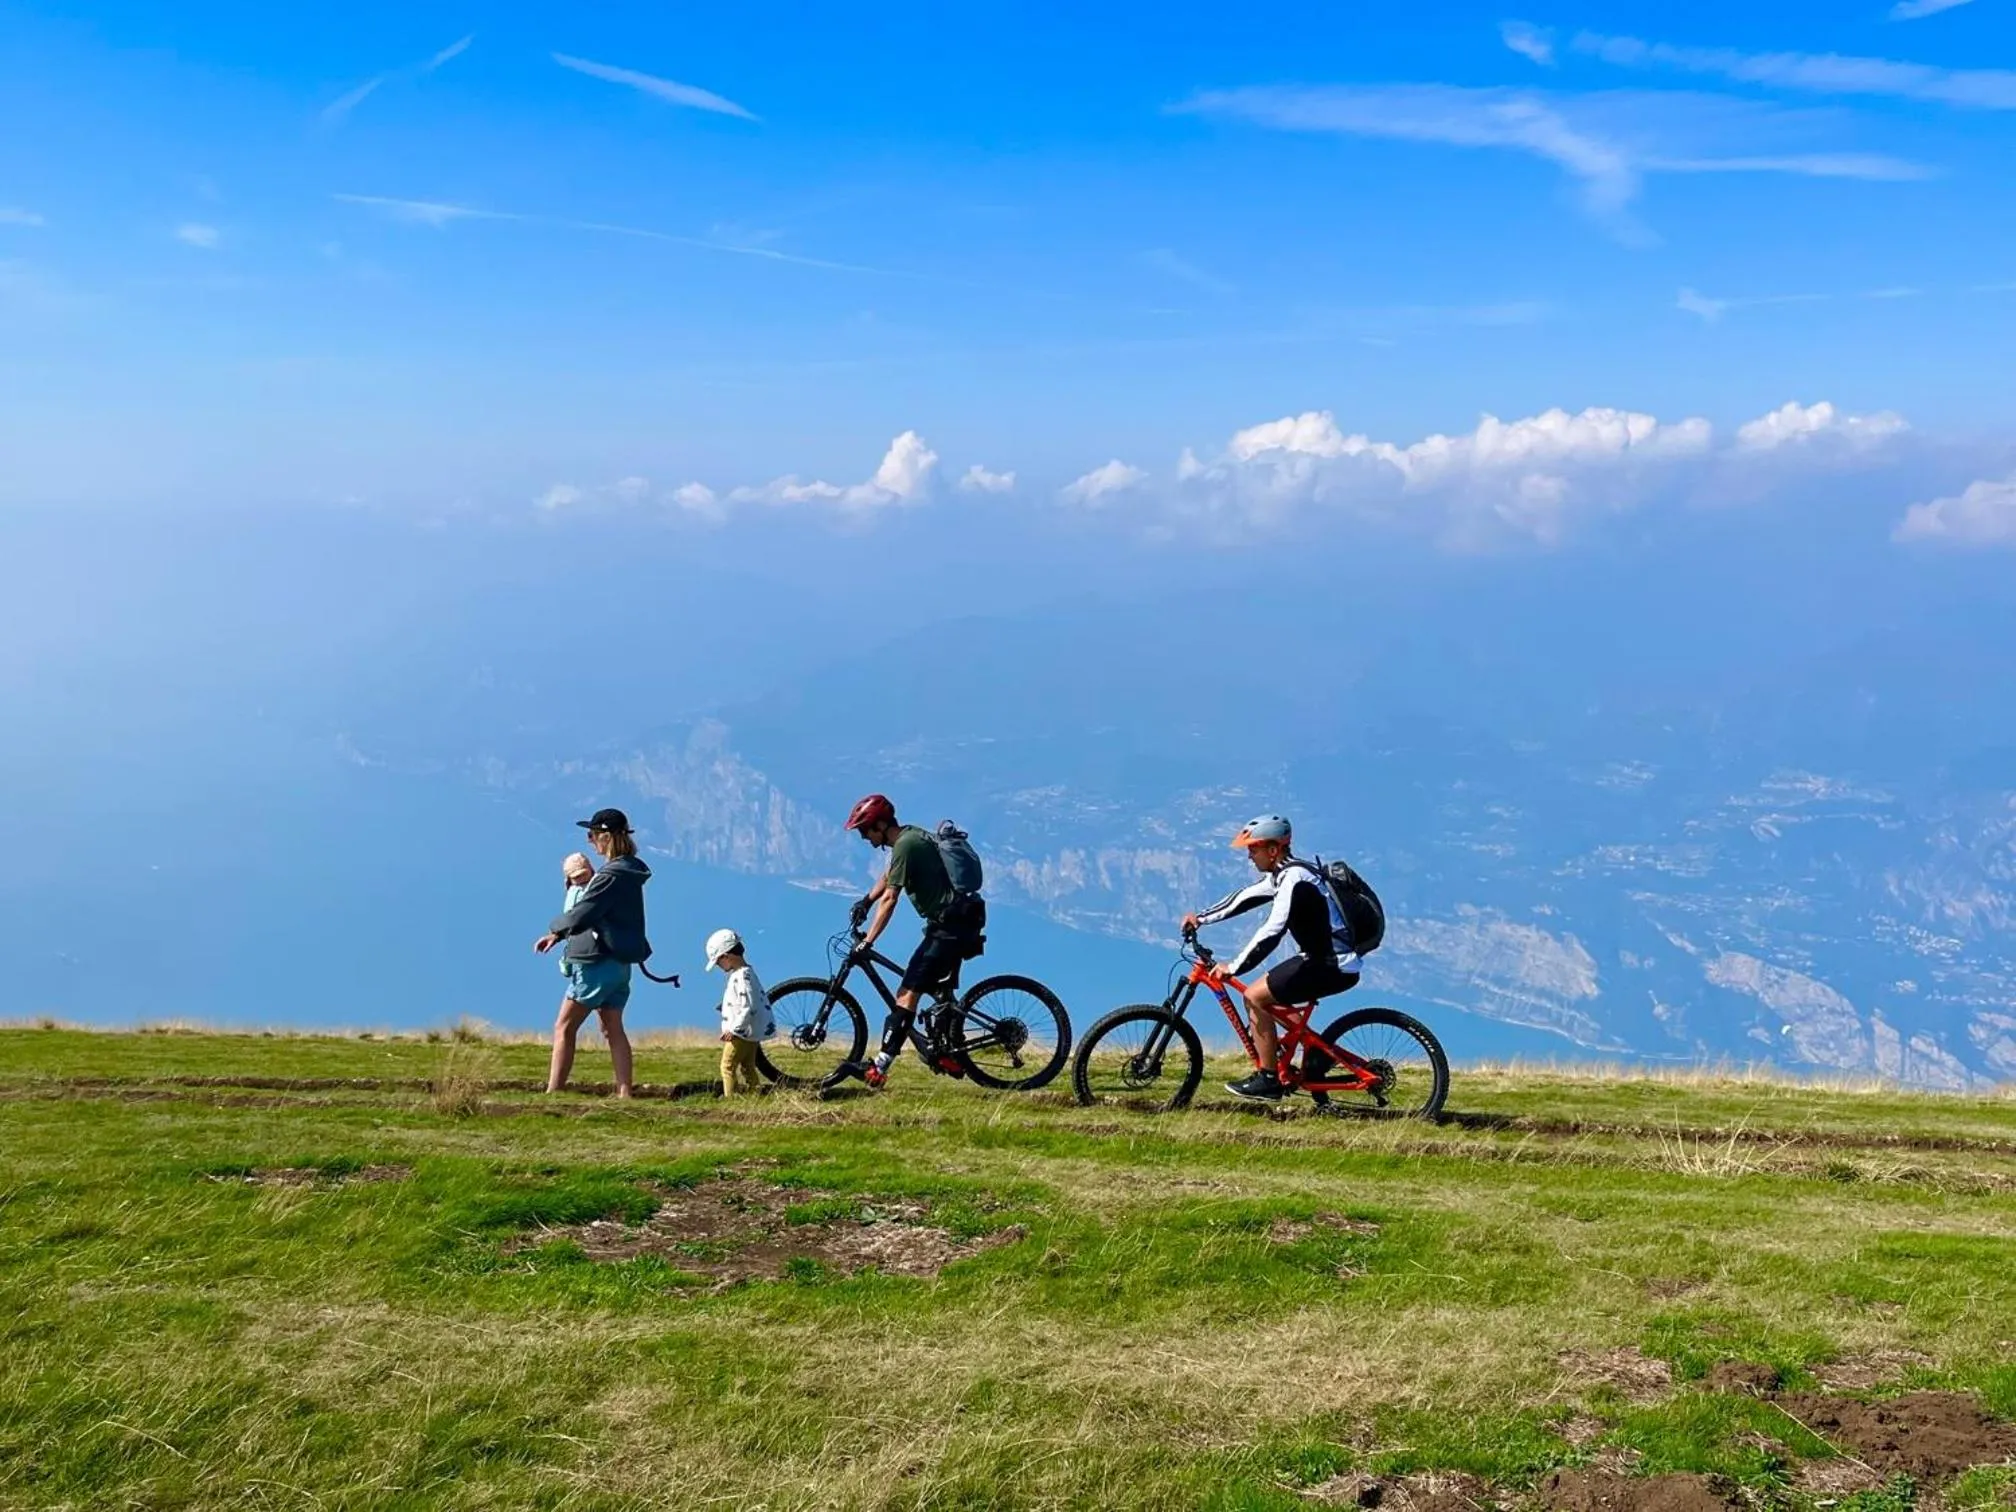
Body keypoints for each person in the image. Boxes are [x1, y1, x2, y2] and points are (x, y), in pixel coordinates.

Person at [1183, 813, 1359, 1103]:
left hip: (1332, 964)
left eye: (1253, 849)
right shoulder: (1284, 874)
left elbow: (1272, 931)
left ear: (1274, 849)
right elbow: (1245, 898)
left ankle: (1268, 1079)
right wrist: (1201, 918)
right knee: (1270, 994)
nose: (1249, 856)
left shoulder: (1295, 878)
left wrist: (1234, 967)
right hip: (1320, 959)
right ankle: (1315, 1051)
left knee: (1255, 996)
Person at [837, 793, 982, 1088]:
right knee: (938, 994)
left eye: (865, 830)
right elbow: (889, 875)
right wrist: (865, 901)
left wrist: (869, 940)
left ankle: (878, 1069)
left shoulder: (906, 844)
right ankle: (947, 1053)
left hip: (951, 925)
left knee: (907, 993)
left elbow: (891, 897)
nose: (864, 837)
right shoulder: (908, 838)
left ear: (880, 824)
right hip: (955, 921)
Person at [535, 808, 653, 1098]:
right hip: (621, 964)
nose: (589, 841)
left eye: (592, 835)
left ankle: (554, 1091)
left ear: (606, 837)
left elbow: (582, 914)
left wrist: (555, 930)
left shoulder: (608, 877)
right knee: (613, 1027)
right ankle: (625, 1092)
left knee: (564, 1026)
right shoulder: (630, 872)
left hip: (595, 963)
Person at [706, 927, 773, 1097]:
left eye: (718, 962)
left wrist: (735, 1030)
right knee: (748, 1066)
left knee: (727, 1066)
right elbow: (748, 1000)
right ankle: (755, 1096)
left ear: (726, 956)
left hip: (741, 1033)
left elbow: (747, 1006)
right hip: (751, 1033)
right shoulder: (747, 973)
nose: (719, 967)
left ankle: (730, 1099)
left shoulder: (741, 976)